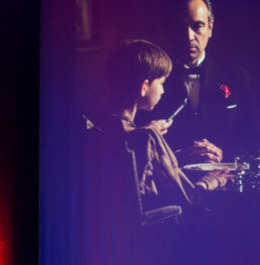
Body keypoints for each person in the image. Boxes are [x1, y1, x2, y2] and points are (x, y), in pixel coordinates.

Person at [94, 39, 229, 230]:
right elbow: (189, 197)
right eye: (161, 82)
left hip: (111, 235)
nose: (164, 90)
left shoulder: (101, 130)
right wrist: (213, 179)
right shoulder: (147, 137)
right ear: (144, 87)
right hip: (155, 240)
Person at [142, 0, 257, 159]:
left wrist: (224, 154)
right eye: (180, 27)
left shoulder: (236, 76)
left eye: (197, 26)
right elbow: (140, 143)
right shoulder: (151, 80)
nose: (189, 36)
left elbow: (255, 137)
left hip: (226, 179)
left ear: (210, 29)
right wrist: (181, 156)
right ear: (168, 31)